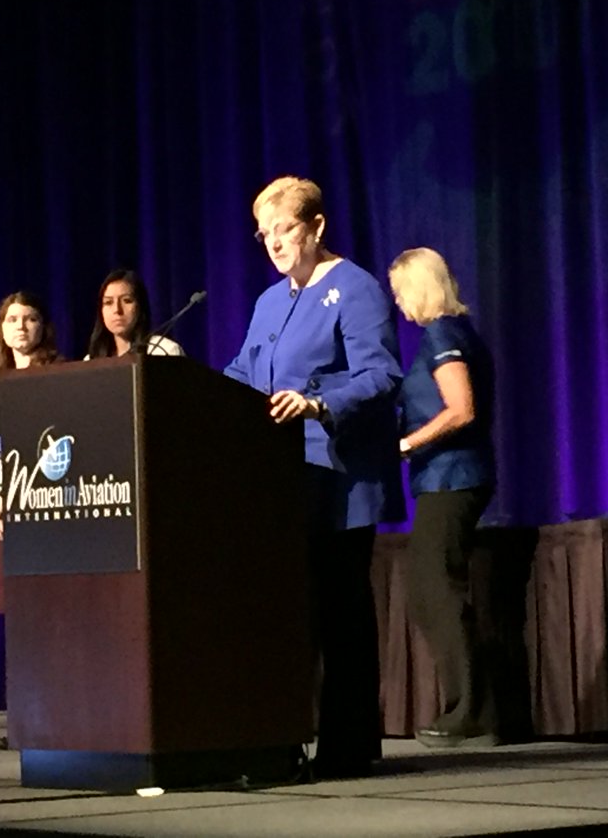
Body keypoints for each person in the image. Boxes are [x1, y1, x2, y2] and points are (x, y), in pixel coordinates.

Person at [224, 175, 402, 780]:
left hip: (338, 476)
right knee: (287, 606)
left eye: (284, 229)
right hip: (280, 476)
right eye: (263, 233)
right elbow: (244, 372)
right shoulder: (270, 301)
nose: (273, 243)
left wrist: (317, 402)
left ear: (317, 226)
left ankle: (347, 746)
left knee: (339, 612)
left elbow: (381, 377)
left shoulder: (356, 289)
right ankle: (281, 737)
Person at [389, 247, 498, 748]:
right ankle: (475, 706)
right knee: (431, 589)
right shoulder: (451, 333)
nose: (398, 303)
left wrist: (407, 444)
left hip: (453, 477)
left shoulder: (441, 334)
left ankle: (469, 709)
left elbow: (461, 409)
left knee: (437, 589)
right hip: (446, 478)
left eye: (399, 291)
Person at [0, 291, 62, 751]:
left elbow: (50, 450)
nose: (20, 327)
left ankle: (54, 717)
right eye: (12, 319)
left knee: (48, 618)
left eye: (29, 318)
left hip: (41, 510)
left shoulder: (57, 377)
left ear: (42, 327)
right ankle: (24, 720)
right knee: (17, 620)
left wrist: (10, 499)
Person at [84, 269, 186, 358]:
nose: (117, 310)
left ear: (140, 306)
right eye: (108, 302)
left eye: (127, 300)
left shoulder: (163, 351)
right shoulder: (91, 360)